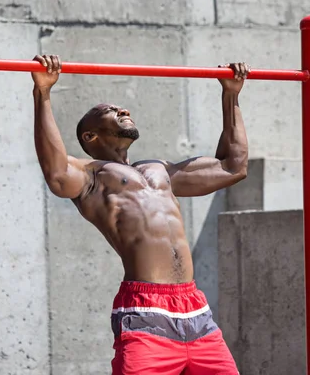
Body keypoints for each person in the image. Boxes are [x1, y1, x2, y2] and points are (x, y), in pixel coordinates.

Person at [31, 54, 249, 375]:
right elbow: (57, 173)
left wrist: (231, 94)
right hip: (146, 312)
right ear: (90, 136)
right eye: (109, 111)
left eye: (122, 108)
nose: (124, 110)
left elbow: (233, 166)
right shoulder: (92, 177)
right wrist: (43, 93)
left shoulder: (159, 169)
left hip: (195, 309)